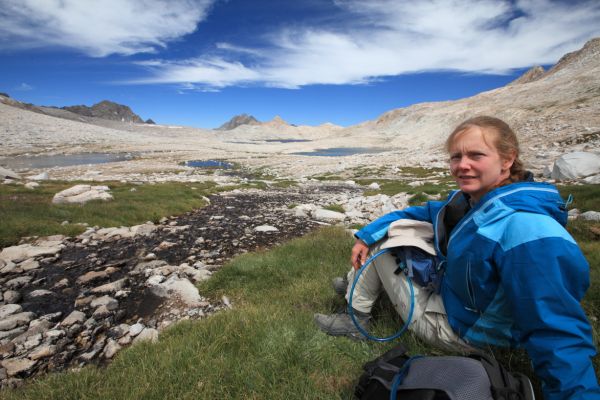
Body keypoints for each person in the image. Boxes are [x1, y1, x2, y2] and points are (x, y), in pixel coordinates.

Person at [314, 116, 599, 399]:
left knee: (383, 248)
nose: (462, 165)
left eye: (476, 155)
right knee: (391, 232)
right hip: (460, 302)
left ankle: (357, 320)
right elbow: (420, 212)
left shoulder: (525, 231)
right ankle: (358, 283)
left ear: (507, 159)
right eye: (456, 156)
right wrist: (365, 234)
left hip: (464, 333)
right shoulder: (471, 203)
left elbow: (556, 329)